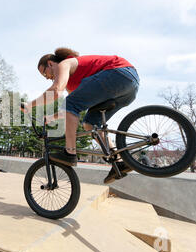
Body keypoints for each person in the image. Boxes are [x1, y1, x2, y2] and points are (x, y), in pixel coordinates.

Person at [21, 47, 140, 184]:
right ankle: (119, 161)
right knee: (89, 124)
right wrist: (50, 118)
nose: (47, 77)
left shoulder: (64, 64)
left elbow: (56, 91)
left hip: (119, 73)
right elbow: (69, 111)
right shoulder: (72, 84)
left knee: (70, 103)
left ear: (50, 63)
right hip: (129, 87)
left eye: (44, 73)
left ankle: (70, 152)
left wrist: (30, 105)